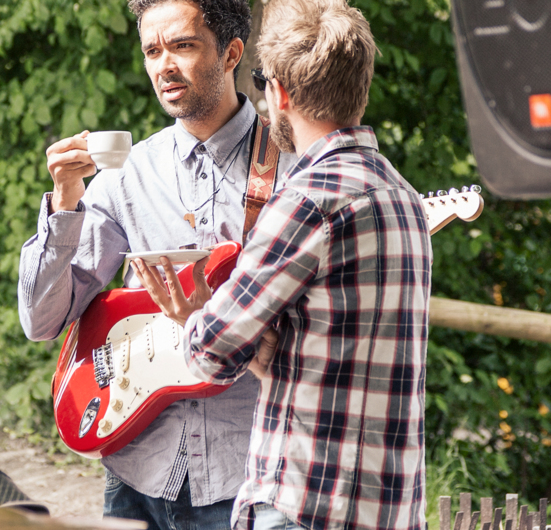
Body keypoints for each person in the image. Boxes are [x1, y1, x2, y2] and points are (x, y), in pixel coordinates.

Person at [132, 0, 432, 529]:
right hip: (390, 505)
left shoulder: (306, 200)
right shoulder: (402, 195)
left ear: (281, 93)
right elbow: (333, 356)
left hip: (305, 501)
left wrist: (195, 318)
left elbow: (209, 353)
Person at [17, 0, 294, 528]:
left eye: (183, 46)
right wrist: (65, 201)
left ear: (232, 52)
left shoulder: (294, 171)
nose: (163, 65)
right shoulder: (126, 176)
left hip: (247, 476)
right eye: (152, 50)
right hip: (135, 466)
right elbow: (41, 320)